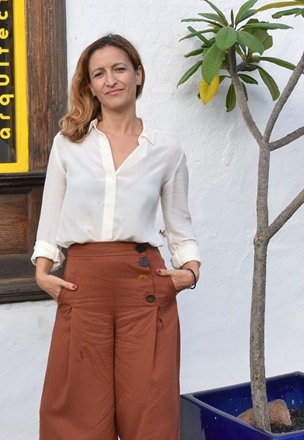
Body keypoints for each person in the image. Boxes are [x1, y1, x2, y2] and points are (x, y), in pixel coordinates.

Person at [33, 34, 201, 440]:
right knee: (77, 414)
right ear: (90, 86)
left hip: (144, 285)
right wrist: (43, 271)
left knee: (149, 411)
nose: (111, 80)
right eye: (99, 74)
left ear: (138, 75)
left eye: (119, 69)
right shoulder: (69, 144)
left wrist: (190, 272)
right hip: (83, 284)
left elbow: (179, 225)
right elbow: (51, 213)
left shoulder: (166, 149)